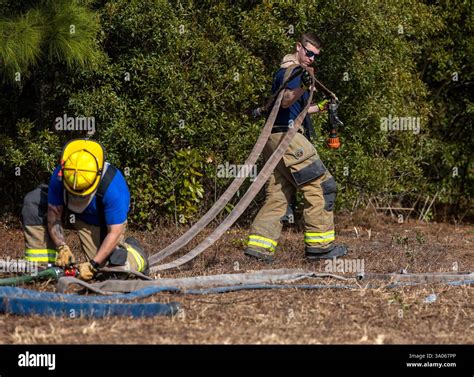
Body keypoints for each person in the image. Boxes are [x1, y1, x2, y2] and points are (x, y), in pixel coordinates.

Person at [245, 32, 348, 262]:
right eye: (308, 52)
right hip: (289, 138)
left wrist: (319, 107)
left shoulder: (290, 72)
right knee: (322, 186)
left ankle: (259, 249)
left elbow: (291, 109)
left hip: (274, 139)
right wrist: (303, 85)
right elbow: (286, 100)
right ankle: (320, 249)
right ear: (298, 47)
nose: (311, 58)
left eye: (315, 56)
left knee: (278, 196)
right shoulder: (293, 72)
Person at [21, 138, 148, 280]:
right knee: (34, 201)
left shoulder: (113, 188)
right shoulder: (62, 174)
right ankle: (43, 269)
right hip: (67, 210)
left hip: (95, 220)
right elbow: (54, 215)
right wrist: (62, 247)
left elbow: (115, 233)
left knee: (110, 269)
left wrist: (93, 265)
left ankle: (136, 255)